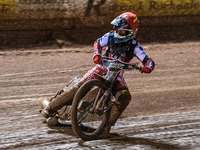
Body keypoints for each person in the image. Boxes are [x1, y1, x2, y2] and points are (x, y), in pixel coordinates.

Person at [41, 12, 155, 135]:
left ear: (132, 32)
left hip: (117, 76)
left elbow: (147, 59)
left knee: (124, 96)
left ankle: (107, 126)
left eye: (122, 30)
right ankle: (50, 108)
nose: (118, 32)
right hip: (100, 68)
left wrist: (148, 67)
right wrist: (97, 54)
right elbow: (98, 43)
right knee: (77, 89)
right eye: (117, 29)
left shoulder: (135, 47)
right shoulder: (110, 36)